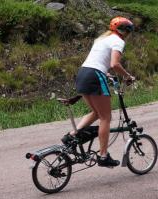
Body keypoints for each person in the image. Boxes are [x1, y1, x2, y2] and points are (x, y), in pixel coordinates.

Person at [61, 16, 135, 167]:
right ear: (124, 31)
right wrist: (127, 76)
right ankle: (103, 156)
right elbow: (114, 63)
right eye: (127, 31)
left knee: (96, 113)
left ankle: (71, 136)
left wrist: (106, 73)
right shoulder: (118, 41)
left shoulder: (102, 39)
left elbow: (98, 60)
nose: (127, 34)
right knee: (106, 118)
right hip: (94, 75)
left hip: (83, 73)